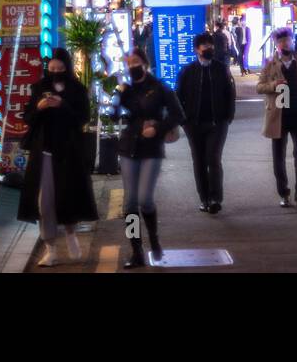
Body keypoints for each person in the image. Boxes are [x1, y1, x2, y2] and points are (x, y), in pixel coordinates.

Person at [17, 48, 98, 267]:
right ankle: (50, 248)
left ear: (67, 68)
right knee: (44, 202)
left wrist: (63, 105)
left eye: (60, 69)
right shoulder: (39, 88)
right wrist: (40, 107)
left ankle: (71, 235)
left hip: (68, 152)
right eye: (51, 69)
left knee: (67, 196)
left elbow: (83, 117)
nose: (55, 72)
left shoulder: (77, 89)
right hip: (43, 151)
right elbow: (28, 117)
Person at [108, 48, 185, 268]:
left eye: (136, 62)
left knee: (145, 199)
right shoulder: (127, 90)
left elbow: (178, 114)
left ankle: (154, 238)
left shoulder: (159, 88)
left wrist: (158, 128)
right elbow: (113, 117)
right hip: (129, 147)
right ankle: (136, 250)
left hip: (151, 149)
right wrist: (117, 95)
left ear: (145, 63)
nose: (132, 66)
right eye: (129, 63)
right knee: (130, 204)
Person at [256, 27, 297, 207]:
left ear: (293, 41)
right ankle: (284, 192)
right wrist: (274, 84)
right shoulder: (270, 63)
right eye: (281, 41)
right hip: (278, 115)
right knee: (278, 157)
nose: (285, 43)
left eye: (288, 40)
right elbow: (259, 87)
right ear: (276, 44)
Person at [177, 32, 236, 213]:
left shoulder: (221, 69)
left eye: (210, 45)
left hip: (217, 123)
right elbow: (178, 97)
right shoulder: (187, 71)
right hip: (193, 124)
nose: (208, 48)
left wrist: (228, 116)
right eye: (204, 46)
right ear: (197, 49)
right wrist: (183, 120)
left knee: (213, 158)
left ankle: (215, 199)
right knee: (199, 161)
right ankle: (204, 198)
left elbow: (229, 94)